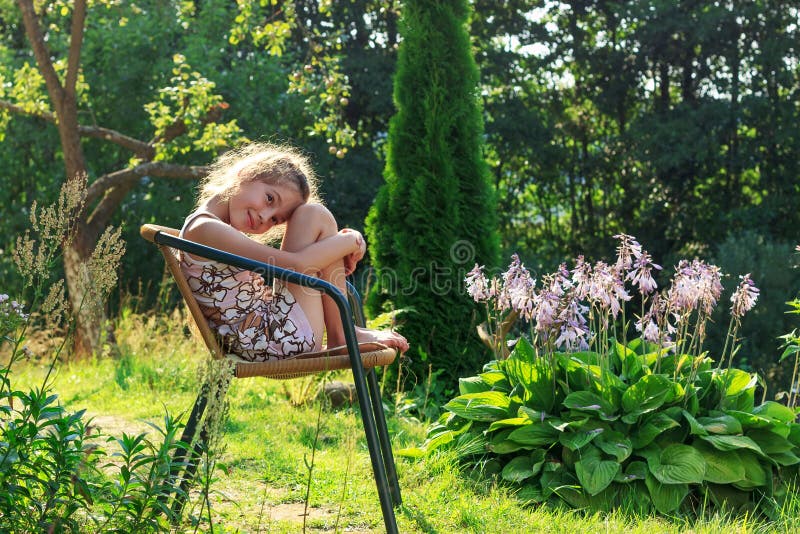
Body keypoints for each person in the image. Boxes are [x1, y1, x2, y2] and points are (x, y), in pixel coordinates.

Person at [179, 142, 408, 361]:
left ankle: (344, 333)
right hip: (274, 340)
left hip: (271, 337)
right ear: (247, 173)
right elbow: (298, 265)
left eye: (276, 219)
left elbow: (297, 266)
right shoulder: (205, 229)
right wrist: (351, 241)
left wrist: (338, 244)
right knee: (314, 215)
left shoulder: (208, 226)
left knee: (315, 216)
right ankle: (342, 335)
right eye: (269, 198)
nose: (265, 217)